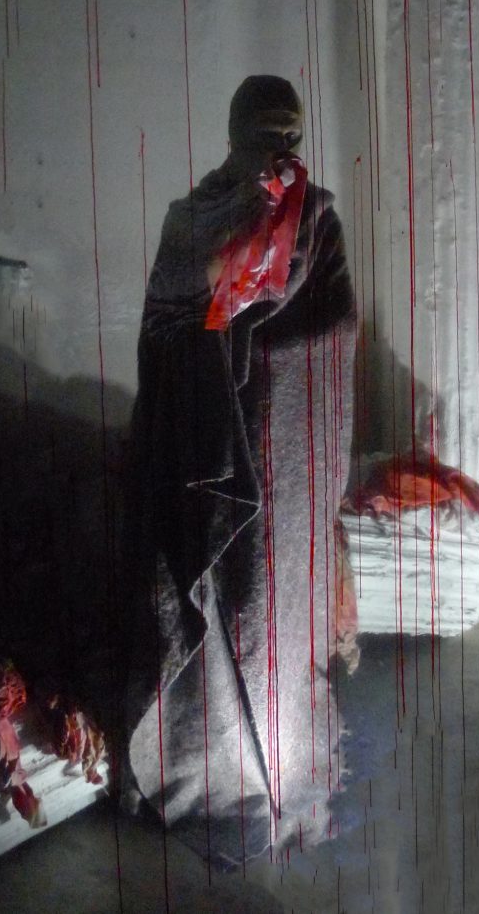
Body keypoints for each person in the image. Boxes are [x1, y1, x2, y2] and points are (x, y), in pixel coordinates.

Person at [122, 75, 358, 867]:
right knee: (215, 597)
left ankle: (280, 761)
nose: (280, 150)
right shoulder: (190, 219)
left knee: (272, 604)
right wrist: (214, 340)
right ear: (234, 133)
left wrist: (263, 347)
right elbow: (161, 326)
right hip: (207, 447)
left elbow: (338, 325)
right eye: (266, 133)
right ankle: (214, 764)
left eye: (291, 135)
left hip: (283, 454)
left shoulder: (316, 217)